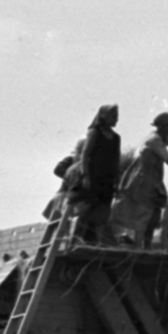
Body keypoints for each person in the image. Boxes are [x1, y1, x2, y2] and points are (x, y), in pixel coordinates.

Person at [113, 112, 168, 249]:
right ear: (163, 126)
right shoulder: (154, 140)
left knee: (152, 216)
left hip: (152, 181)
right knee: (143, 215)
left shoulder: (161, 137)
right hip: (143, 182)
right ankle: (139, 247)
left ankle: (146, 245)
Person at [68, 104, 122, 244]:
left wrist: (117, 181)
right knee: (85, 209)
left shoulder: (116, 138)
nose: (116, 119)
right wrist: (85, 176)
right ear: (104, 116)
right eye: (113, 116)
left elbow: (116, 160)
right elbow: (85, 155)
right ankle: (76, 239)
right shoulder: (94, 132)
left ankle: (100, 242)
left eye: (117, 116)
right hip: (93, 177)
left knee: (103, 212)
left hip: (107, 179)